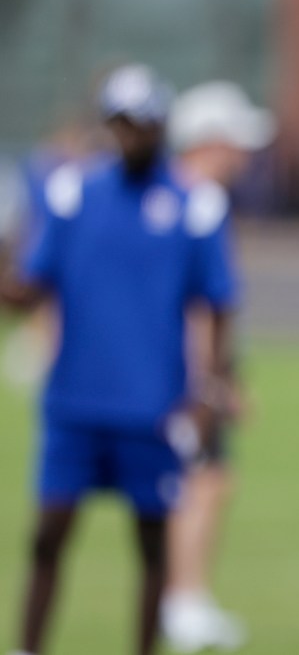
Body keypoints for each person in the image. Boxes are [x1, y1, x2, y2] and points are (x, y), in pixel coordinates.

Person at [0, 63, 239, 655]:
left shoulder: (194, 202)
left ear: (160, 126)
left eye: (141, 124)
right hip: (75, 400)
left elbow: (219, 302)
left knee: (152, 544)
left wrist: (211, 388)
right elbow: (33, 287)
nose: (131, 136)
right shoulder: (72, 191)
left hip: (152, 404)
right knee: (48, 537)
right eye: (121, 124)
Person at [158, 80, 275, 654]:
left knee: (203, 482)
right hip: (182, 369)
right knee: (200, 483)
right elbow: (197, 304)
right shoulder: (198, 201)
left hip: (173, 364)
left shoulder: (177, 195)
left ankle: (183, 597)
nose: (243, 155)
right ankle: (183, 600)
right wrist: (210, 381)